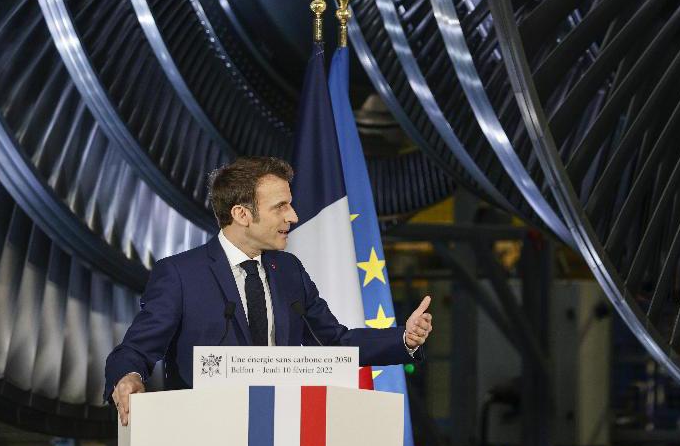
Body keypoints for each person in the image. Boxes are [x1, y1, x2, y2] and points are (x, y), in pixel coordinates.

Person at [104, 156, 433, 425]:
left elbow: (335, 342)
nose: (293, 215)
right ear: (242, 214)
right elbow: (135, 350)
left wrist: (402, 338)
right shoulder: (180, 274)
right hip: (205, 434)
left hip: (283, 433)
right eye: (281, 206)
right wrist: (128, 378)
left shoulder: (289, 270)